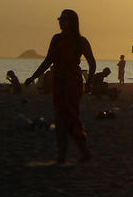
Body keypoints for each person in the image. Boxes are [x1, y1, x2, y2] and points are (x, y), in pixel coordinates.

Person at [24, 9, 94, 163]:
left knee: (70, 117)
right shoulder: (56, 39)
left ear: (72, 22)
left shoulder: (81, 41)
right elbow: (48, 60)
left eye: (65, 20)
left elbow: (92, 63)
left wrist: (89, 82)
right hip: (59, 82)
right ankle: (65, 155)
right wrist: (33, 77)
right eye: (60, 20)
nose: (61, 23)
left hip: (73, 83)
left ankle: (80, 153)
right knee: (60, 118)